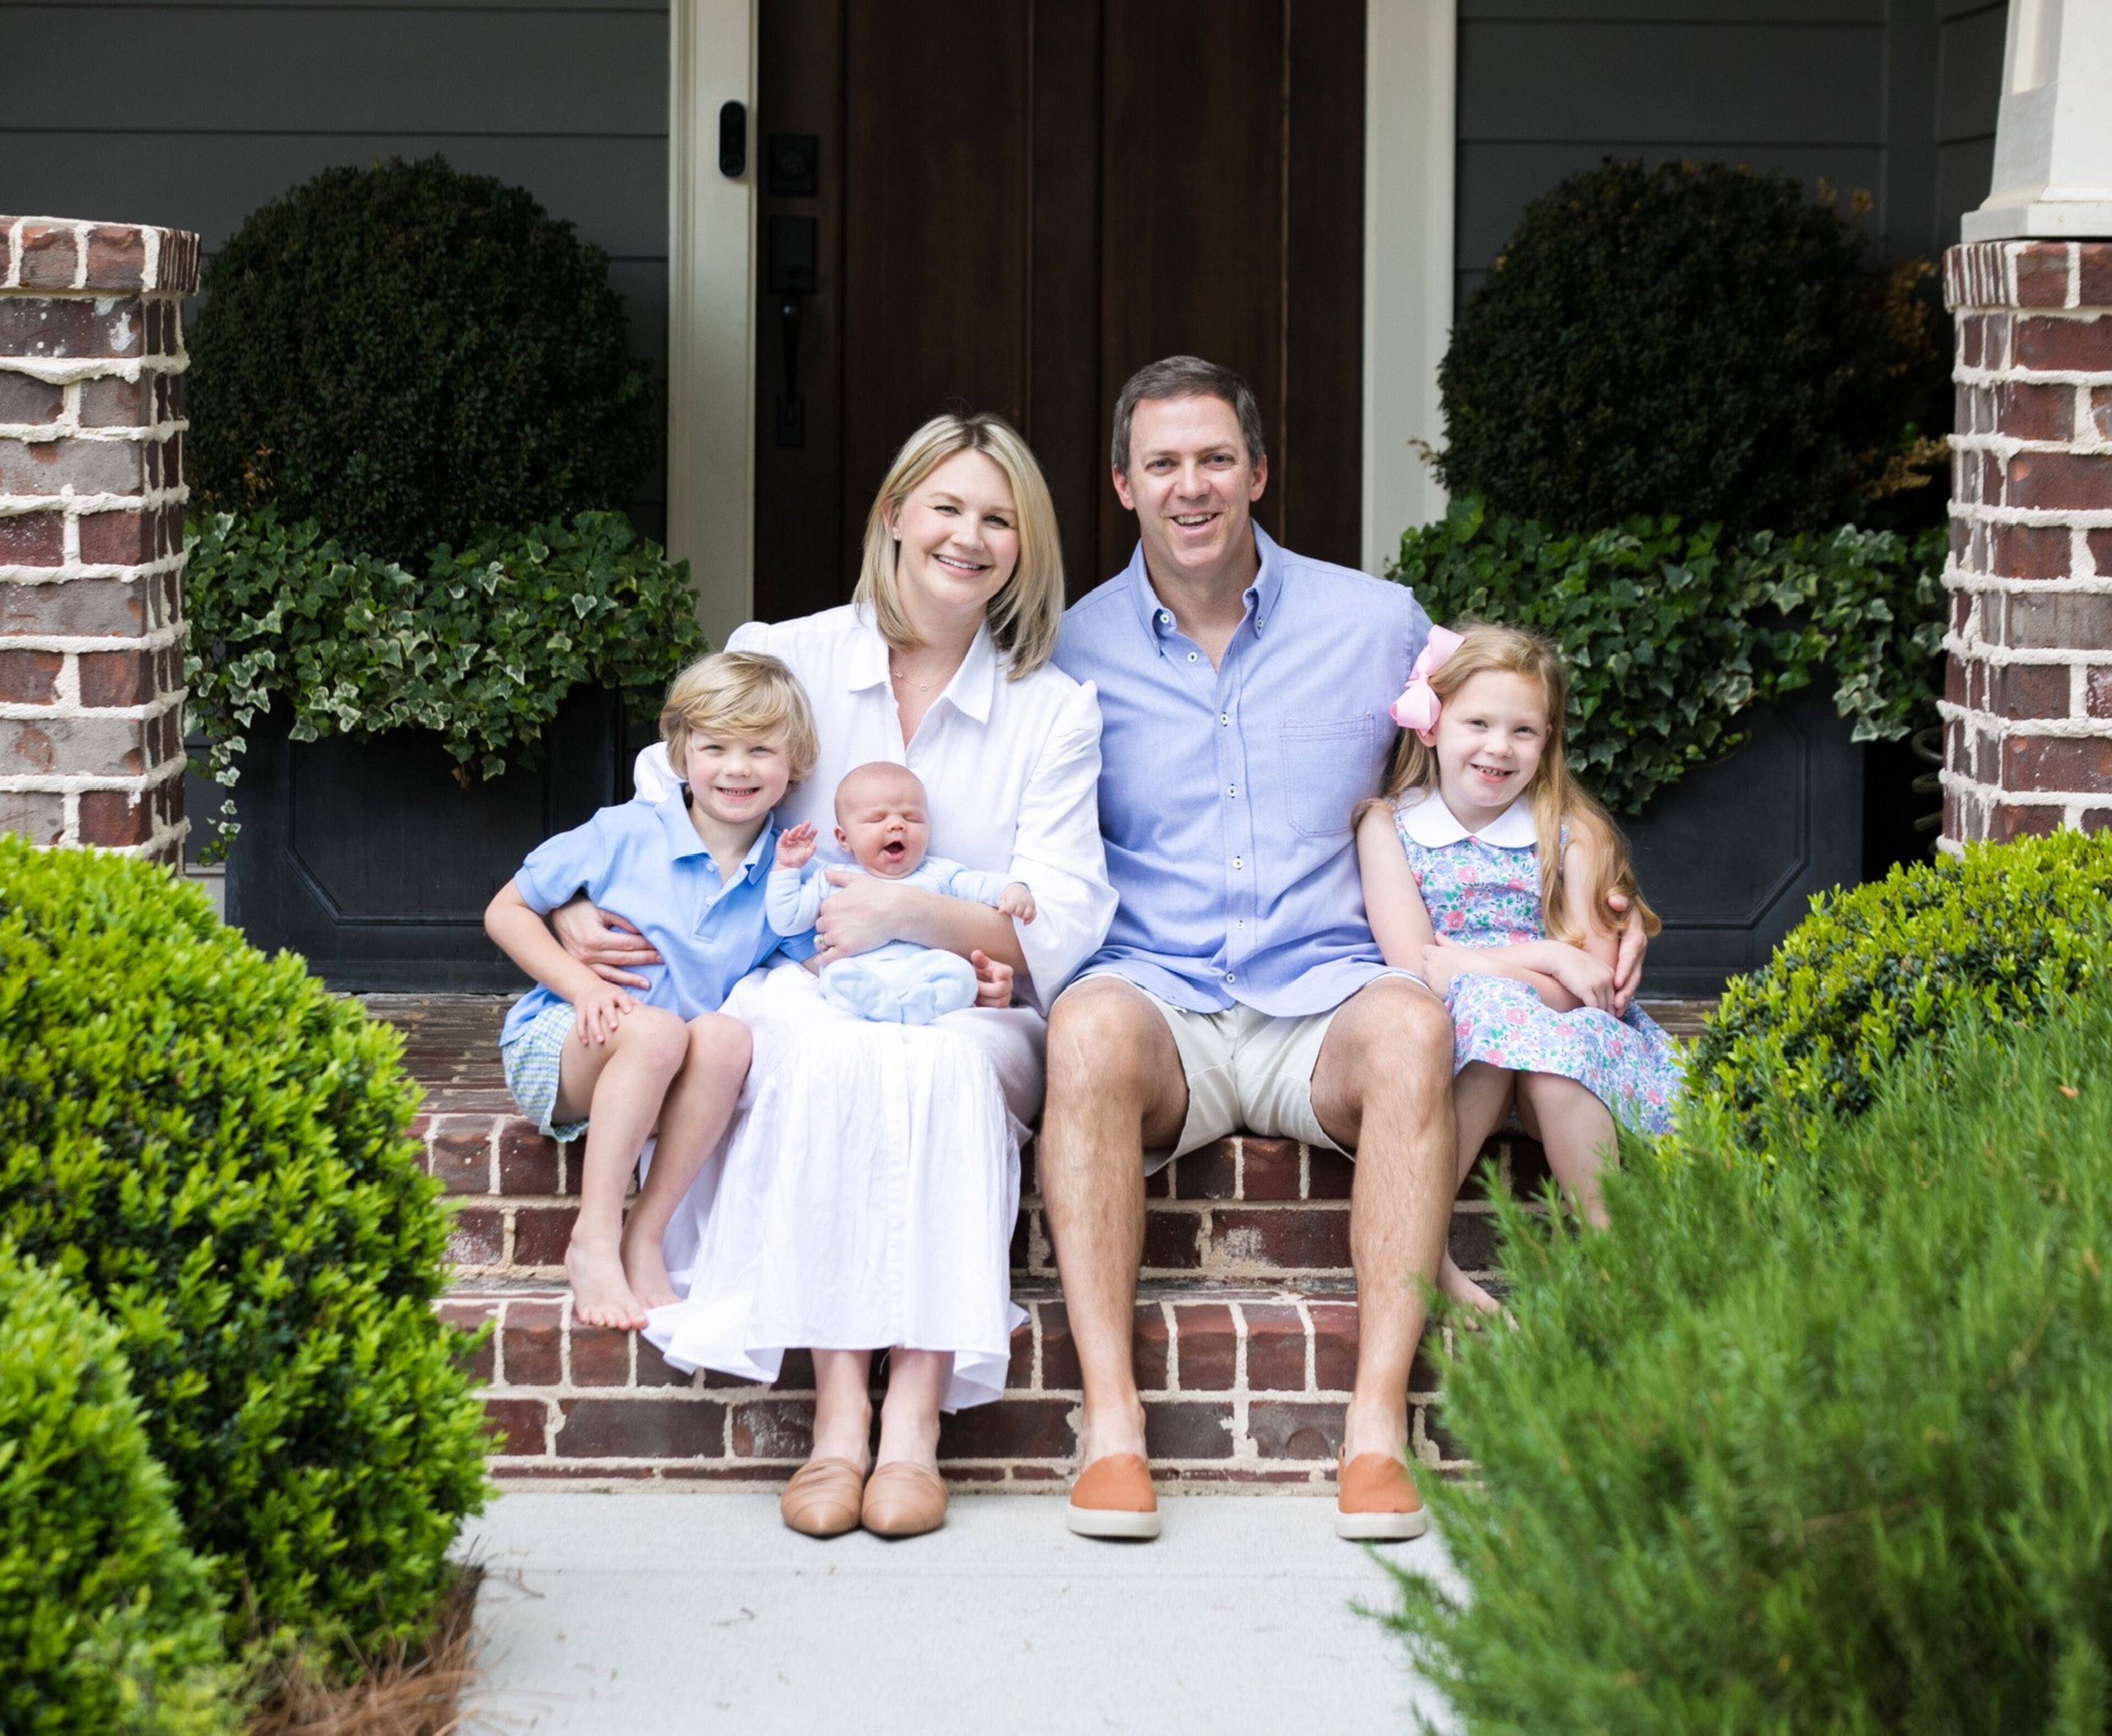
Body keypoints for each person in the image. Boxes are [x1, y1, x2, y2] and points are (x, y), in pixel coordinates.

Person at [1044, 356, 1649, 1542]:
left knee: (1417, 1022)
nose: (1192, 487)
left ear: (1259, 470)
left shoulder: (1377, 627)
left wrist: (1594, 887)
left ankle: (1377, 1430)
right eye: (1162, 463)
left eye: (1216, 458)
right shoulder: (1070, 650)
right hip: (1159, 997)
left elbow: (1508, 727)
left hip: (1326, 994)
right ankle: (1111, 1426)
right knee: (1083, 1027)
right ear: (1122, 484)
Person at [549, 413, 1116, 1540]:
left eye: (998, 519)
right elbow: (669, 795)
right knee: (807, 1056)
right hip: (803, 980)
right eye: (946, 508)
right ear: (895, 515)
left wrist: (917, 911)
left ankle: (913, 1422)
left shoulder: (1054, 708)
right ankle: (837, 1417)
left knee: (948, 1077)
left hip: (968, 993)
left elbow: (1060, 910)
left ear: (1025, 546)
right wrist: (572, 909)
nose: (969, 537)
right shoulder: (790, 652)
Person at [483, 651, 820, 1331]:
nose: (736, 768)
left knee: (727, 1037)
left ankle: (647, 1237)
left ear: (796, 763)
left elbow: (830, 961)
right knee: (658, 1028)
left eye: (760, 749)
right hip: (565, 1047)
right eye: (715, 746)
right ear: (681, 752)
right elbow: (505, 911)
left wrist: (961, 976)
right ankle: (595, 1238)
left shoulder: (786, 873)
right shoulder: (623, 833)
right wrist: (580, 987)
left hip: (670, 1073)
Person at [1357, 624, 1682, 1318]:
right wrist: (1544, 953)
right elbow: (1417, 966)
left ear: (1549, 740)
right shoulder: (1389, 828)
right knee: (1493, 1018)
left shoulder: (1571, 832)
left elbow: (1589, 988)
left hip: (1561, 1052)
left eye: (1524, 730)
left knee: (1534, 1044)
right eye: (1478, 722)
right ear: (1433, 725)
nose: (1499, 747)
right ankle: (1427, 1249)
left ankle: (1610, 1254)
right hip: (1458, 1048)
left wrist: (1483, 966)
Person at [768, 760, 1038, 1024]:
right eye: (877, 818)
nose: (897, 825)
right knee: (834, 975)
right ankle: (882, 1003)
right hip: (862, 970)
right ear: (844, 838)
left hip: (924, 969)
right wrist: (786, 869)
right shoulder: (831, 879)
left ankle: (918, 1005)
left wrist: (1012, 888)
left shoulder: (940, 873)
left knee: (961, 974)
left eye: (912, 818)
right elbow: (787, 921)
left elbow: (980, 884)